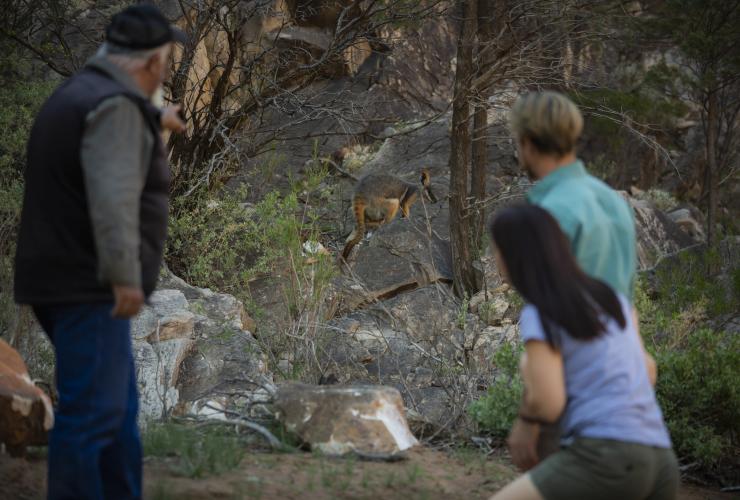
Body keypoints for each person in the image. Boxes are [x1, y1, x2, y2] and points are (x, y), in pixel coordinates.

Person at [14, 5, 186, 499]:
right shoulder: (114, 108)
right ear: (152, 62)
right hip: (88, 284)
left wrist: (157, 116)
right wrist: (124, 275)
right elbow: (111, 200)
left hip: (63, 279)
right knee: (92, 418)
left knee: (118, 415)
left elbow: (105, 131)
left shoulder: (83, 93)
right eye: (167, 58)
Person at [489, 205, 678, 500]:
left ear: (514, 256)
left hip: (606, 456)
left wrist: (525, 423)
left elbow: (549, 403)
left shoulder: (540, 311)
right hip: (661, 461)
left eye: (497, 251)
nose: (495, 261)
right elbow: (649, 372)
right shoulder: (611, 298)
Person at [507, 90, 645, 461]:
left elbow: (551, 314)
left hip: (572, 388)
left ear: (529, 143)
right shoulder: (612, 201)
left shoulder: (546, 212)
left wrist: (528, 420)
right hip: (626, 386)